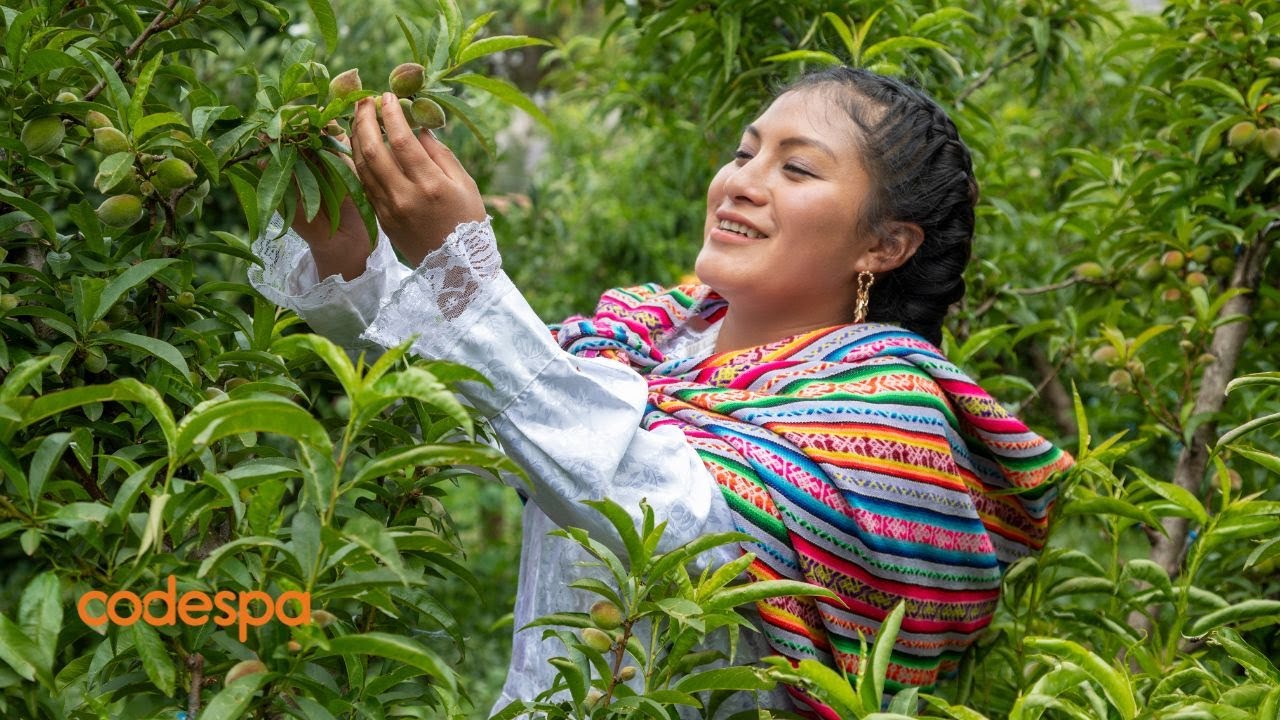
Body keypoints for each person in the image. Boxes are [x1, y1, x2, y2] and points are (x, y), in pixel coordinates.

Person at [249, 66, 1074, 718]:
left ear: (886, 244)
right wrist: (350, 256)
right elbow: (490, 388)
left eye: (796, 168)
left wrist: (464, 268)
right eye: (746, 152)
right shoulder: (643, 340)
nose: (742, 181)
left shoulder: (889, 413)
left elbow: (671, 520)